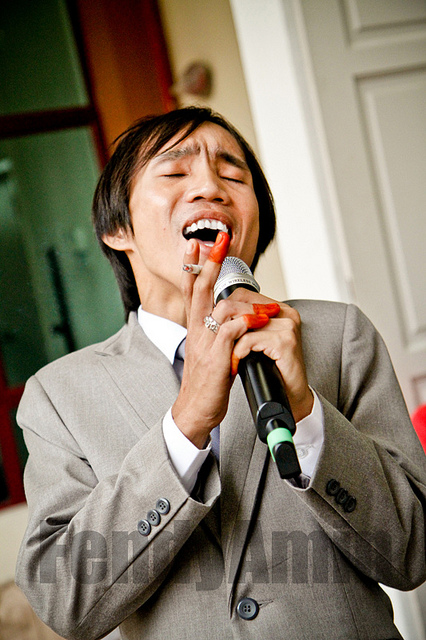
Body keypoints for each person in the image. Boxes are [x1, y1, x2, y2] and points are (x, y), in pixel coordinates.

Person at [15, 107, 426, 640]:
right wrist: (185, 424)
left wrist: (306, 413)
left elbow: (413, 553)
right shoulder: (58, 396)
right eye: (175, 171)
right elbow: (65, 603)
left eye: (233, 174)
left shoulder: (339, 336)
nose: (211, 186)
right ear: (118, 228)